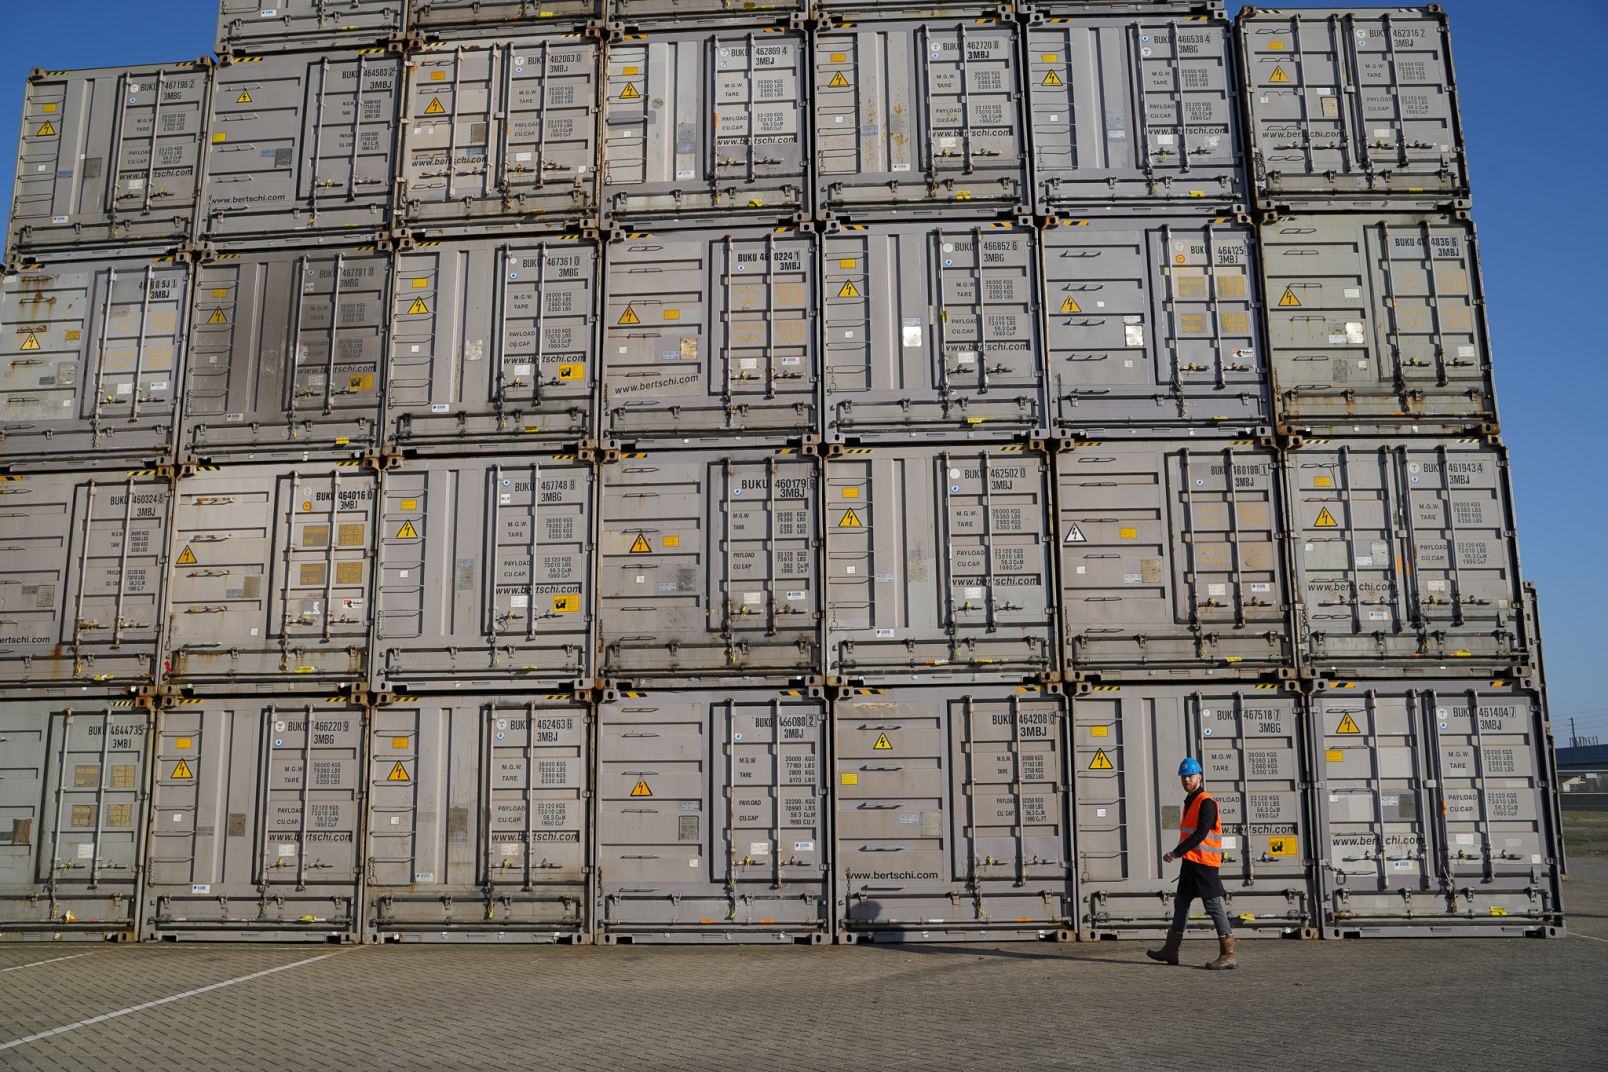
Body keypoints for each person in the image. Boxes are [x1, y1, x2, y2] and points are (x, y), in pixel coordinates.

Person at [1146, 757, 1237, 969]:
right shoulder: (1191, 801)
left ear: (1199, 777)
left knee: (1214, 906)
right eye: (1184, 776)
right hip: (1190, 863)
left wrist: (1176, 852)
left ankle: (1229, 955)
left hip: (1205, 864)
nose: (1187, 779)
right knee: (1181, 904)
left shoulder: (1206, 802)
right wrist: (1182, 856)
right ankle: (1170, 951)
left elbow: (1201, 833)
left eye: (1190, 776)